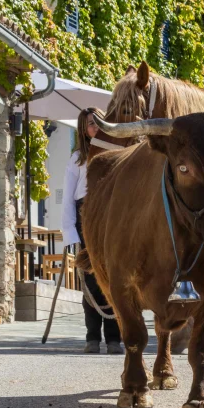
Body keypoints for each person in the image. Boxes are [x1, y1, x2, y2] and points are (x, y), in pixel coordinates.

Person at [62, 108, 123, 355]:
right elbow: (67, 197)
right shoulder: (78, 158)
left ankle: (114, 338)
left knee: (113, 277)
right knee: (91, 279)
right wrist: (70, 233)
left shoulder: (116, 154)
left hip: (111, 214)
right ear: (83, 128)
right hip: (84, 216)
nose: (95, 127)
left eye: (99, 122)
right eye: (90, 124)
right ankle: (92, 337)